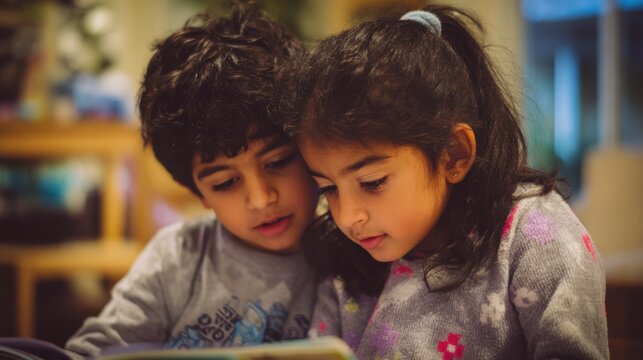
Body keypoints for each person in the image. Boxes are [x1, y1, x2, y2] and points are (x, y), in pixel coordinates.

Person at [272, 5, 609, 359]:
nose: (348, 217)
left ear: (454, 154)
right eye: (329, 189)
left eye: (372, 182)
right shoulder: (348, 264)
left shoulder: (533, 233)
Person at [65, 3, 319, 358]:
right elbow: (96, 349)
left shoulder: (349, 256)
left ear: (310, 147)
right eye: (225, 183)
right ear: (199, 193)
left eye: (277, 162)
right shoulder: (178, 257)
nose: (261, 199)